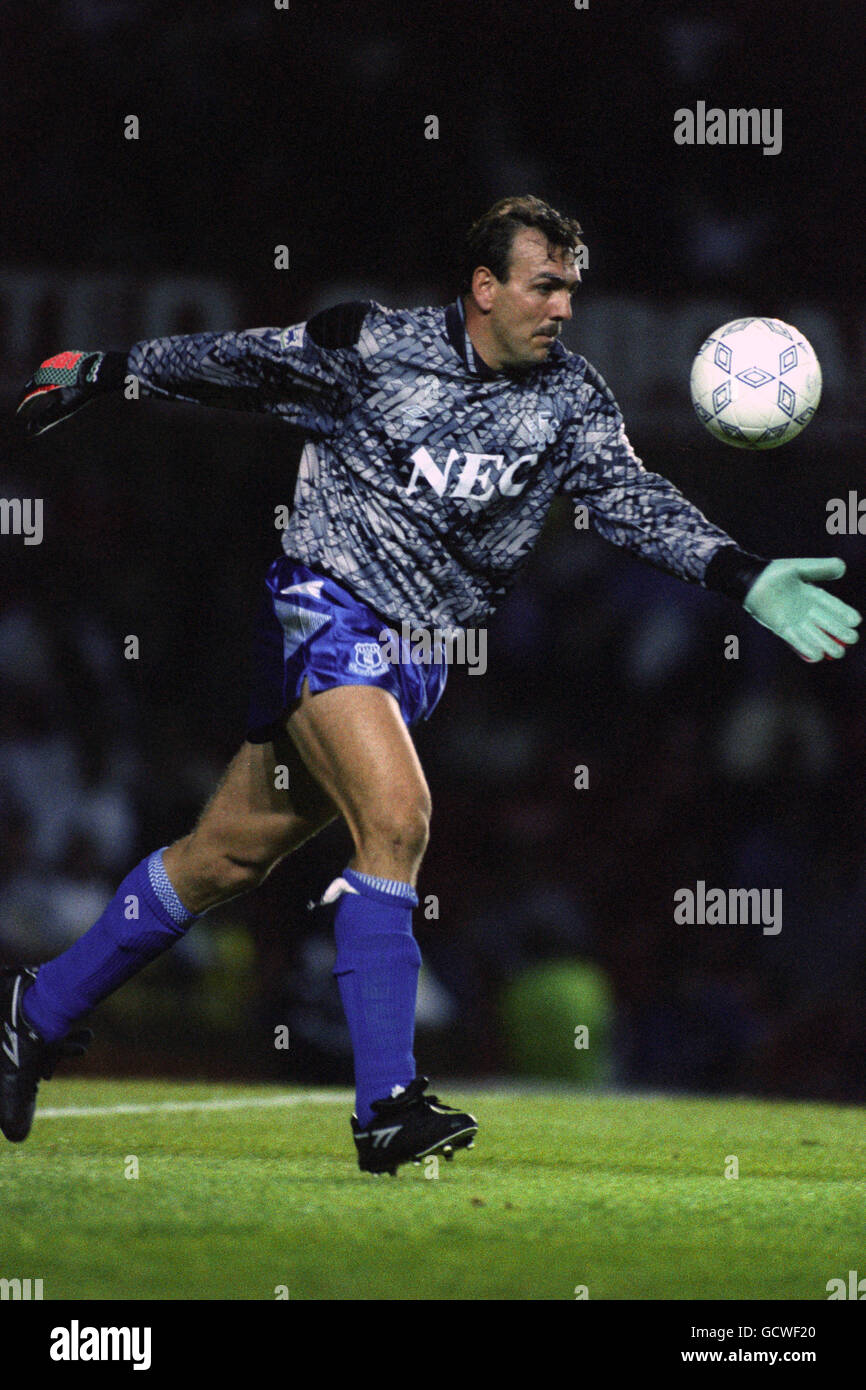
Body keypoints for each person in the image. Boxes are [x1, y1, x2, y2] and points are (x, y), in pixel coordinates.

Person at [4, 196, 860, 1172]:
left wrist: (739, 572)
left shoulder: (568, 400)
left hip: (418, 658)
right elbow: (239, 361)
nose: (562, 308)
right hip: (323, 610)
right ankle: (386, 1109)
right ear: (484, 287)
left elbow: (630, 503)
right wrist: (107, 371)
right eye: (544, 285)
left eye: (571, 289)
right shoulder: (371, 348)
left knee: (225, 855)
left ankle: (35, 1009)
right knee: (398, 816)